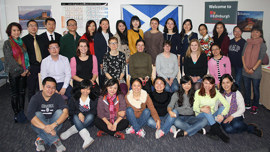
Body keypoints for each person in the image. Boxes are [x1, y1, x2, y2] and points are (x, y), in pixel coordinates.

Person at [27, 77, 68, 152]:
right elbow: (30, 116)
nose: (50, 90)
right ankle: (56, 140)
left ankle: (41, 139)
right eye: (48, 87)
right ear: (43, 87)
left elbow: (66, 113)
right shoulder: (35, 98)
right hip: (40, 125)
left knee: (60, 112)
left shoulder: (58, 96)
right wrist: (46, 127)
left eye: (53, 88)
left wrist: (52, 126)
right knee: (37, 114)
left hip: (55, 124)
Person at [3, 22, 30, 123]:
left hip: (24, 72)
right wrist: (21, 70)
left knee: (22, 93)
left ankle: (22, 112)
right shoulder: (7, 43)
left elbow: (26, 57)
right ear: (10, 32)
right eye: (14, 30)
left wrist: (27, 69)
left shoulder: (21, 42)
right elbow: (9, 59)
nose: (16, 32)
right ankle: (16, 113)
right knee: (15, 94)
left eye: (18, 30)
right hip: (14, 73)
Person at [60, 80, 97, 149]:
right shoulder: (74, 97)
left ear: (91, 90)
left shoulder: (94, 98)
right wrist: (79, 113)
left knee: (91, 116)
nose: (85, 91)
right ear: (80, 89)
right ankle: (87, 137)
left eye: (88, 89)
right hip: (76, 117)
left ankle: (71, 130)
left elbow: (94, 111)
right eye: (83, 89)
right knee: (75, 117)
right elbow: (70, 111)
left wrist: (84, 115)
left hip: (88, 118)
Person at [193, 75, 230, 143]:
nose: (208, 85)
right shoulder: (198, 92)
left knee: (222, 108)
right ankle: (219, 133)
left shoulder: (216, 92)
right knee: (207, 109)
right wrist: (202, 109)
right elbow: (195, 108)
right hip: (201, 117)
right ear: (202, 83)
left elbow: (227, 105)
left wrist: (222, 115)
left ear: (213, 85)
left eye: (210, 83)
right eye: (206, 83)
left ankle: (212, 131)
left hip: (212, 118)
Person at [242, 26, 267, 114]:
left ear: (260, 34)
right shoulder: (247, 42)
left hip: (255, 72)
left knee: (256, 89)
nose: (254, 34)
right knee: (247, 89)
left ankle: (255, 105)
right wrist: (245, 67)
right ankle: (247, 103)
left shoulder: (262, 44)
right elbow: (243, 55)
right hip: (245, 70)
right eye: (253, 32)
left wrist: (253, 69)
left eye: (257, 32)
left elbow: (260, 58)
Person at [22, 20, 47, 102]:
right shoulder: (23, 40)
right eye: (31, 25)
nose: (33, 27)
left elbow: (45, 53)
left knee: (43, 88)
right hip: (31, 68)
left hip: (42, 66)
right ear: (28, 28)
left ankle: (42, 106)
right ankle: (32, 108)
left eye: (35, 25)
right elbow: (23, 56)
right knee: (31, 89)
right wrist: (26, 69)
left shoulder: (42, 39)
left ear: (37, 27)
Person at [94, 18, 113, 88]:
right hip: (102, 60)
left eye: (106, 24)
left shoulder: (110, 35)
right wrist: (100, 62)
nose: (105, 25)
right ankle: (102, 93)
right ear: (100, 25)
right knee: (102, 77)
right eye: (103, 24)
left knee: (110, 77)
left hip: (110, 59)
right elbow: (97, 50)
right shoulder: (97, 35)